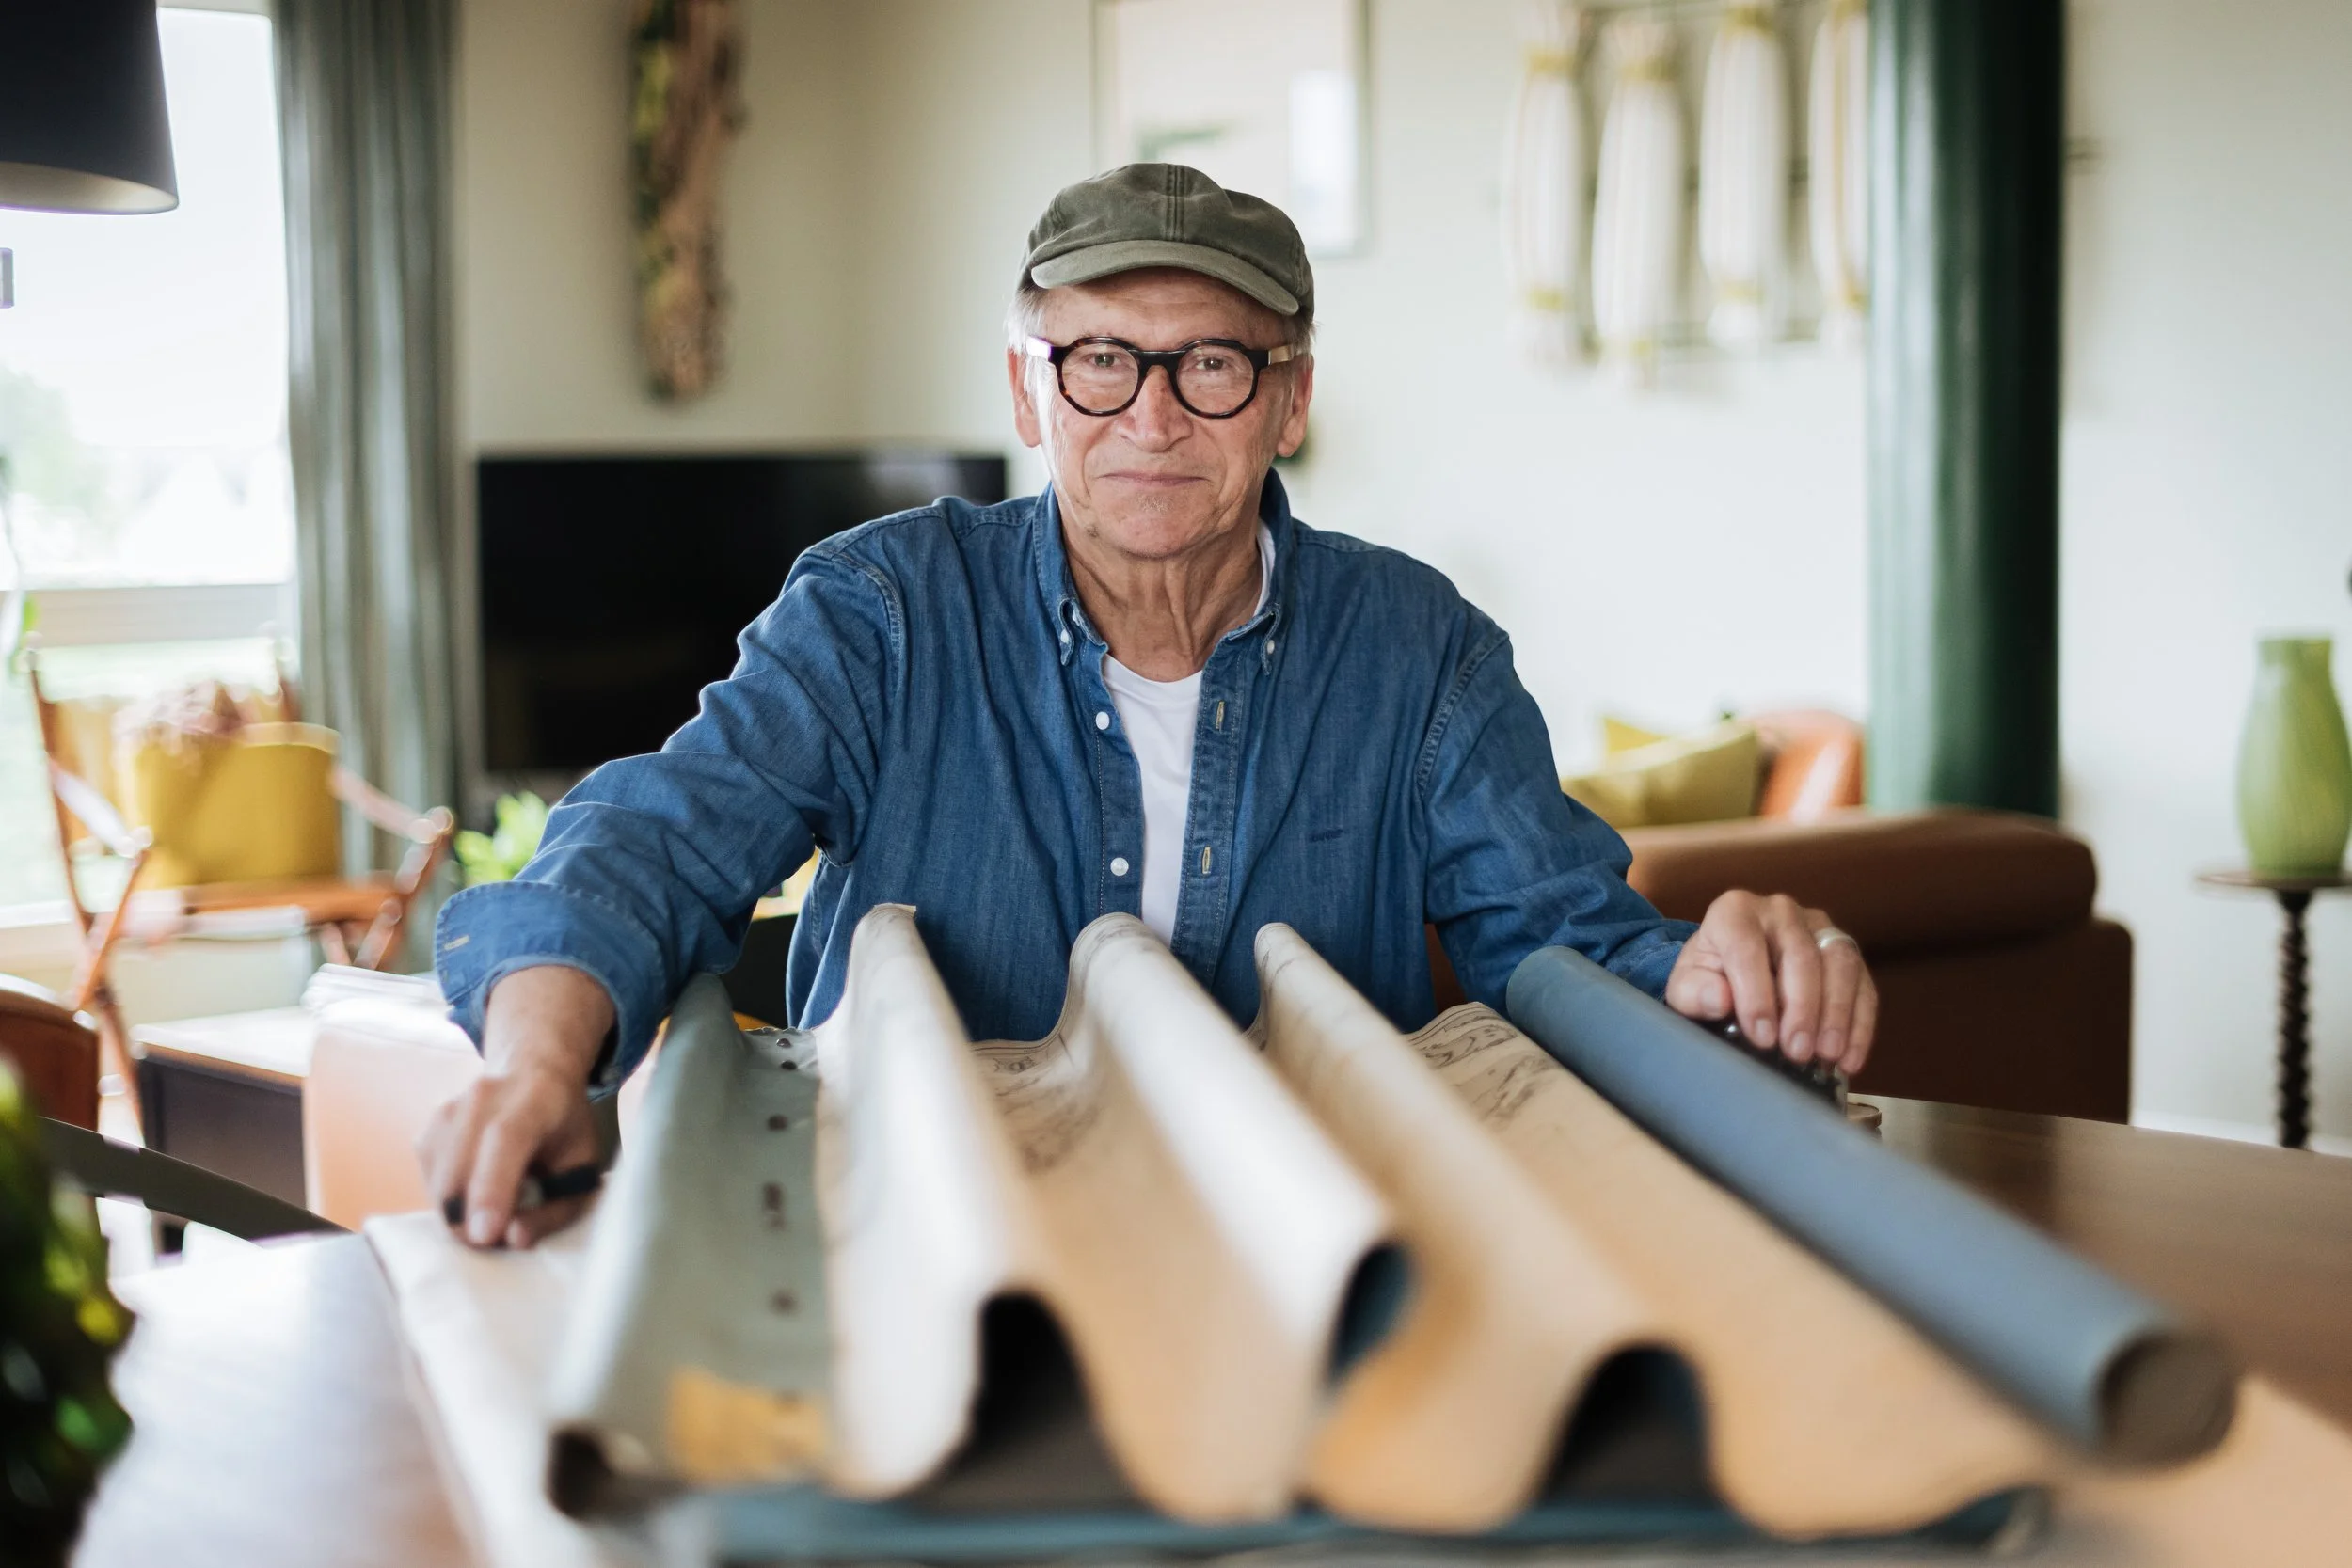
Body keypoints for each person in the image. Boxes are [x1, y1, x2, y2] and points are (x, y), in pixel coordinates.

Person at [421, 164, 1877, 1249]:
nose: (1155, 416)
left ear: (1288, 398)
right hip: (915, 1237)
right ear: (1026, 387)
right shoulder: (881, 610)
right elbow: (656, 841)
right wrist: (539, 1064)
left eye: (1214, 365)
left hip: (1307, 1250)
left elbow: (1561, 940)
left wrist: (1720, 977)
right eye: (1102, 360)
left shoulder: (1421, 646)